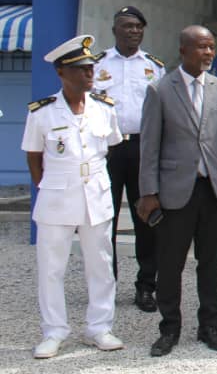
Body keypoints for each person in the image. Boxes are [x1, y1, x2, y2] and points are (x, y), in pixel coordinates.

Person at [22, 35, 124, 359]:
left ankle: (99, 327)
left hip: (96, 195)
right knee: (52, 268)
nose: (89, 74)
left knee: (101, 265)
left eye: (91, 68)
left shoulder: (104, 108)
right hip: (56, 196)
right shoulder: (42, 113)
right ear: (62, 72)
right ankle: (54, 331)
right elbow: (33, 156)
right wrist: (46, 185)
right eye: (81, 69)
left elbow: (110, 148)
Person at [137, 26, 217, 356]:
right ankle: (169, 328)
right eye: (201, 47)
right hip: (175, 191)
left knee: (212, 263)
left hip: (213, 190)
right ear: (183, 50)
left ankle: (210, 326)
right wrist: (149, 192)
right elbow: (149, 146)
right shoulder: (160, 90)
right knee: (171, 264)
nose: (208, 53)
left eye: (211, 47)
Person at [94, 5, 165, 312]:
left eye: (138, 26)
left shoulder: (154, 67)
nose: (133, 31)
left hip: (141, 148)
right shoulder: (97, 64)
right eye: (127, 26)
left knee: (147, 219)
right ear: (114, 30)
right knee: (104, 219)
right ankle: (105, 285)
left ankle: (146, 286)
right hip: (106, 150)